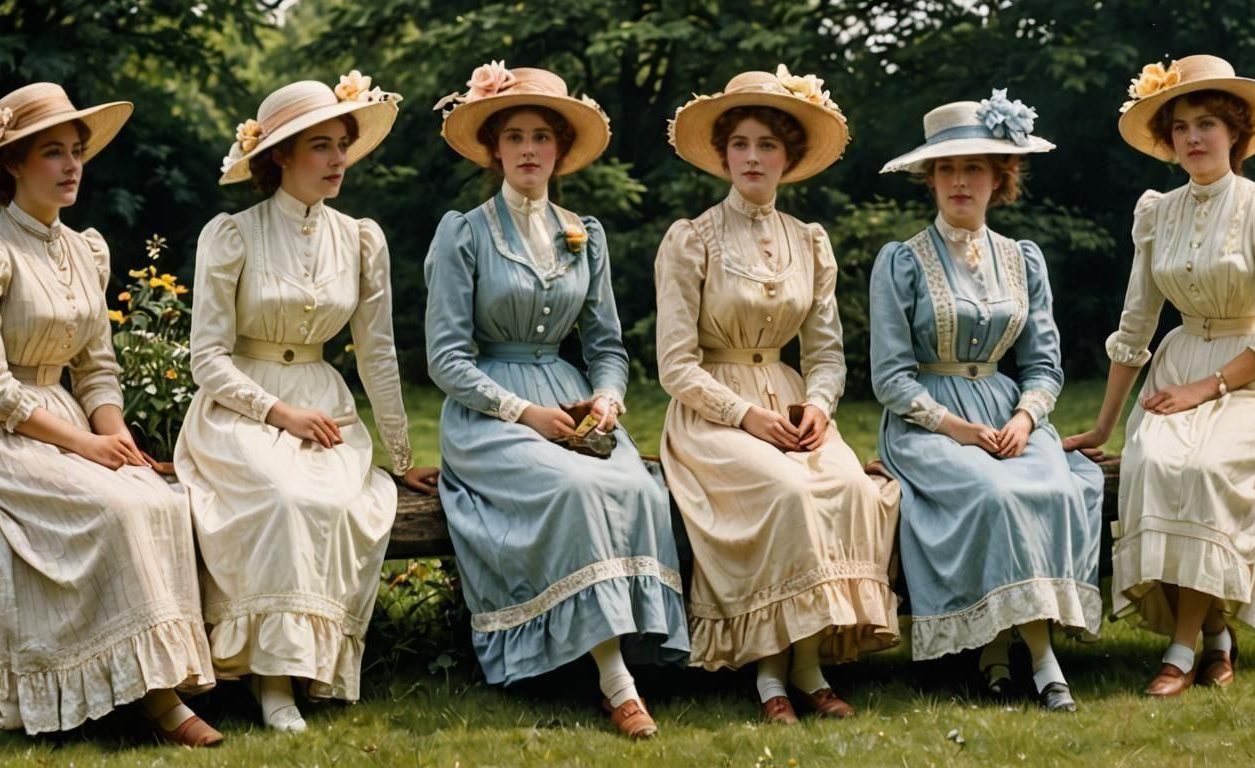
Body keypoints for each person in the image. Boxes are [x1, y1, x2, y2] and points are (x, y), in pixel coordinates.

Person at [0, 83, 219, 744]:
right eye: (52, 153)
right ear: (11, 162)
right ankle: (151, 704)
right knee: (117, 508)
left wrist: (117, 441)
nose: (72, 166)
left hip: (70, 417)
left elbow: (96, 367)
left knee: (158, 499)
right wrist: (83, 447)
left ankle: (151, 679)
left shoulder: (84, 250)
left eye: (77, 152)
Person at [425, 62, 688, 739]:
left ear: (560, 150)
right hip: (491, 412)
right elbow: (446, 360)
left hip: (568, 400)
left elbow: (606, 345)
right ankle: (615, 681)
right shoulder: (464, 232)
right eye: (514, 136)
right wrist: (524, 414)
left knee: (641, 488)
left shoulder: (583, 233)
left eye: (543, 136)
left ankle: (634, 652)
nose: (529, 149)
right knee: (572, 489)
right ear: (495, 149)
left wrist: (605, 397)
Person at [175, 71, 437, 732]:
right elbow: (206, 357)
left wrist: (401, 455)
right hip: (240, 409)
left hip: (326, 405)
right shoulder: (230, 235)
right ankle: (271, 682)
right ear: (279, 158)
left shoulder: (360, 238)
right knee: (283, 497)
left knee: (333, 502)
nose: (338, 159)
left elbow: (376, 352)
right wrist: (278, 413)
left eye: (341, 143)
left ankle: (309, 666)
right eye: (320, 146)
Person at [658, 66, 901, 724]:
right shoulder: (692, 239)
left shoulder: (809, 241)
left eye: (768, 144)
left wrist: (818, 408)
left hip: (793, 407)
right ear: (723, 155)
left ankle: (808, 662)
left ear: (788, 156)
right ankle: (772, 673)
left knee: (850, 487)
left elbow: (825, 353)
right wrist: (747, 416)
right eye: (740, 144)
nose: (753, 157)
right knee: (789, 493)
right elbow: (675, 366)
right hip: (714, 414)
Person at [1065, 54, 1255, 696]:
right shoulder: (1156, 213)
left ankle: (1183, 646)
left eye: (1210, 124)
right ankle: (1218, 635)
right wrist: (1103, 424)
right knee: (1159, 463)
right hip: (1179, 363)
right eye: (1183, 126)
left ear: (1236, 135)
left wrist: (1207, 388)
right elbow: (1134, 327)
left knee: (1204, 471)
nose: (1195, 138)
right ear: (1169, 142)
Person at [872, 91, 1103, 712]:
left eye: (973, 167)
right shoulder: (901, 262)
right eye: (945, 169)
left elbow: (1044, 364)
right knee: (994, 493)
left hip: (1008, 413)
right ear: (930, 179)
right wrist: (960, 430)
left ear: (1000, 177)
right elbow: (890, 378)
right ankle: (1043, 660)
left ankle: (1000, 651)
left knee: (1052, 487)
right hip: (929, 424)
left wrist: (1026, 418)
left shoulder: (1022, 259)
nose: (958, 181)